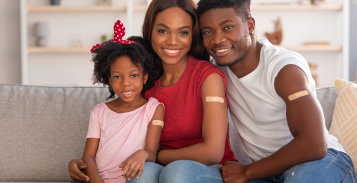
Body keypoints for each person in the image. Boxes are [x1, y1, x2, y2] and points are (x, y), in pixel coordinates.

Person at [68, 0, 237, 183]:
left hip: (208, 170)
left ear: (192, 36)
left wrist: (155, 155)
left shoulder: (208, 77)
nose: (172, 41)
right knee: (140, 174)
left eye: (183, 32)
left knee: (176, 172)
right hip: (160, 169)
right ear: (150, 32)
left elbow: (212, 152)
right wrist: (84, 165)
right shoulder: (144, 81)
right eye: (163, 31)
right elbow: (120, 130)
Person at [197, 0, 357, 182]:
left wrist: (245, 172)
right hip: (267, 172)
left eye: (227, 27)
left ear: (250, 25)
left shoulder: (284, 68)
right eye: (208, 32)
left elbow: (315, 144)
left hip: (321, 161)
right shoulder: (215, 71)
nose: (217, 40)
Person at [72, 20, 165, 183]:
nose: (125, 83)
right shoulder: (99, 111)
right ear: (109, 79)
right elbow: (88, 155)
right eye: (117, 77)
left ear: (145, 77)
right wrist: (95, 180)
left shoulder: (154, 108)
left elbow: (151, 151)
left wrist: (142, 154)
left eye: (134, 75)